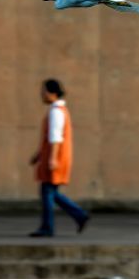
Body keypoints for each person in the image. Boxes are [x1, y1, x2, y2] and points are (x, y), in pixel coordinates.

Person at [28, 79, 89, 237]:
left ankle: (49, 227)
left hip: (56, 157)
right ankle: (79, 215)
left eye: (43, 91)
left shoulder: (56, 112)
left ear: (51, 93)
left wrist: (52, 159)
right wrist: (39, 155)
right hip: (54, 155)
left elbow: (55, 137)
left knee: (48, 192)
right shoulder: (58, 110)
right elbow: (49, 138)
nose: (41, 94)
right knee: (50, 192)